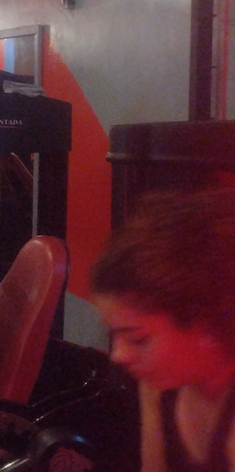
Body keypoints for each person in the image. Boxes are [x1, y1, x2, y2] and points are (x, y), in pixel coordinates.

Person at [92, 190, 235, 472]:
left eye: (137, 339)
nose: (118, 355)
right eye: (114, 336)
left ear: (205, 324)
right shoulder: (161, 383)